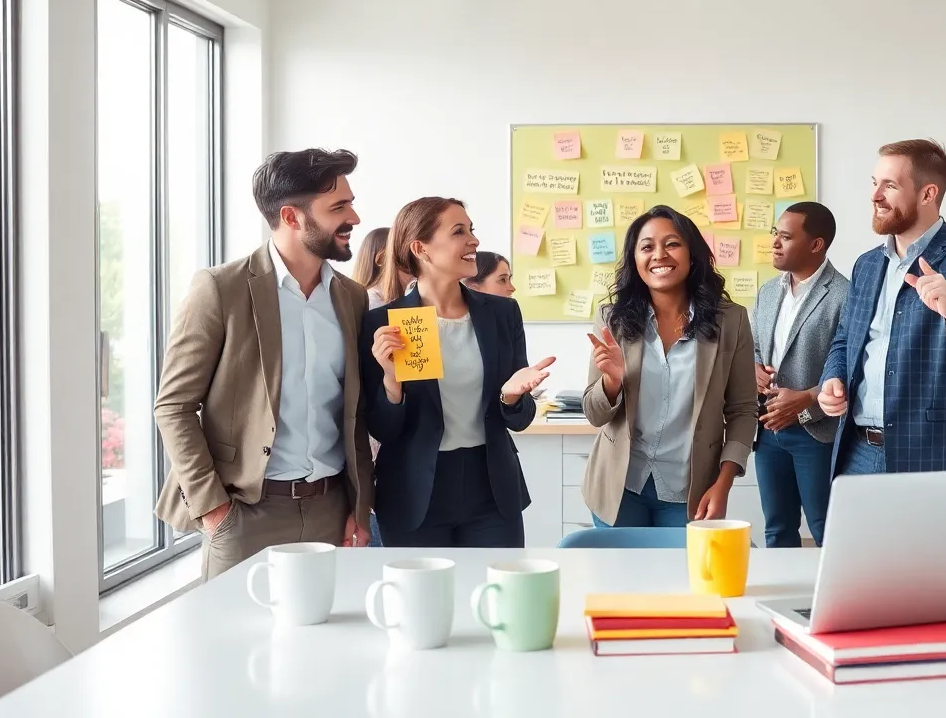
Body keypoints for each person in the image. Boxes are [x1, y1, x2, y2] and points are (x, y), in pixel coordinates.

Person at [154, 148, 374, 580]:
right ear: (291, 217)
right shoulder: (221, 289)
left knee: (327, 625)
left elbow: (355, 413)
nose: (354, 217)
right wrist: (213, 509)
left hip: (332, 511)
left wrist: (359, 506)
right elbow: (174, 406)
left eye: (350, 203)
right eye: (338, 207)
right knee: (234, 625)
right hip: (246, 513)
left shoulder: (352, 297)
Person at [818, 139, 946, 477]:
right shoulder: (866, 266)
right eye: (874, 183)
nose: (875, 196)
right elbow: (845, 339)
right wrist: (833, 377)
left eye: (890, 185)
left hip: (934, 457)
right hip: (857, 454)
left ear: (928, 194)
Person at [360, 197, 554, 547]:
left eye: (471, 230)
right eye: (459, 232)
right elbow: (383, 430)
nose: (474, 240)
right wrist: (392, 382)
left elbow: (520, 418)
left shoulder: (502, 314)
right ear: (421, 248)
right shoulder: (383, 324)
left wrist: (511, 397)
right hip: (413, 492)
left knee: (497, 582)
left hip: (491, 489)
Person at [581, 206, 757, 528]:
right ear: (635, 259)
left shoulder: (731, 320)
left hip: (690, 492)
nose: (659, 255)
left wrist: (724, 483)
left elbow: (743, 410)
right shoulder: (611, 319)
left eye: (672, 244)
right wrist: (612, 383)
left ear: (692, 254)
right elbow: (594, 414)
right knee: (619, 564)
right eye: (647, 247)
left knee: (684, 564)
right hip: (619, 487)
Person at [751, 201, 847, 547]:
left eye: (786, 237)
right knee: (777, 529)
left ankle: (837, 586)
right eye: (775, 233)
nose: (775, 243)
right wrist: (752, 369)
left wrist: (805, 404)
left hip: (817, 432)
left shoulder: (846, 295)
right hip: (768, 430)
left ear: (816, 244)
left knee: (827, 529)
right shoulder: (767, 292)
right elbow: (754, 348)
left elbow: (852, 368)